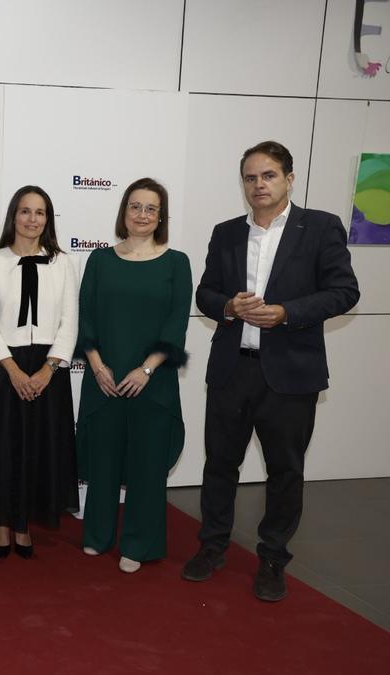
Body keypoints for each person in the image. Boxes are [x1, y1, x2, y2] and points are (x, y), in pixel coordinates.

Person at [183, 141, 359, 601]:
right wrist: (227, 305)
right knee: (220, 466)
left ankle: (273, 558)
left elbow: (344, 292)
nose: (258, 185)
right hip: (231, 371)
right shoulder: (225, 233)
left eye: (268, 176)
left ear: (289, 178)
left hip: (290, 376)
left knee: (285, 471)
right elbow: (204, 293)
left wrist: (287, 312)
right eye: (250, 177)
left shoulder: (319, 228)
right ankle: (212, 547)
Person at [76, 177, 192, 574]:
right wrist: (96, 365)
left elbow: (176, 325)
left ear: (161, 217)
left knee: (146, 465)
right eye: (135, 206)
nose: (142, 215)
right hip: (103, 379)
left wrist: (146, 369)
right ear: (123, 211)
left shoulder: (177, 262)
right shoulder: (99, 260)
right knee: (103, 459)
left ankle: (139, 544)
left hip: (152, 382)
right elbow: (85, 316)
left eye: (151, 209)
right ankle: (97, 535)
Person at [0, 186, 79, 559]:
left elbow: (70, 322)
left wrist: (48, 369)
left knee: (37, 449)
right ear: (14, 216)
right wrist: (11, 369)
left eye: (40, 212)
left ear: (48, 219)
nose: (32, 219)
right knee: (1, 448)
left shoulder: (64, 263)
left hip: (49, 370)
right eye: (25, 211)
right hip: (2, 369)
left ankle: (25, 522)